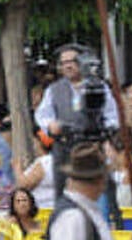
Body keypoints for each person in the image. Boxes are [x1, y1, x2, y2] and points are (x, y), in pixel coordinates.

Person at [34, 44, 119, 198]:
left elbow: (112, 116)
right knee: (63, 194)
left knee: (99, 193)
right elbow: (42, 115)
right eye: (64, 62)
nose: (68, 66)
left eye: (72, 61)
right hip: (65, 146)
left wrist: (105, 134)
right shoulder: (54, 90)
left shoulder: (99, 87)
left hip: (92, 147)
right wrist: (50, 125)